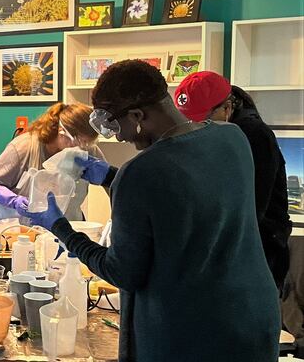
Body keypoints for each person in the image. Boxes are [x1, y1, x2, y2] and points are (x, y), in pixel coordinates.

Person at [28, 60, 280, 361]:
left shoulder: (140, 172)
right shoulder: (232, 137)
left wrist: (61, 228)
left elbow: (121, 271)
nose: (119, 137)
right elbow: (186, 197)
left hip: (193, 334)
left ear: (137, 115)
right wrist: (111, 176)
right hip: (253, 316)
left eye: (115, 126)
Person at [174, 71, 291, 291]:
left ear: (226, 108)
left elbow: (252, 208)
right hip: (221, 246)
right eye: (188, 120)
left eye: (202, 120)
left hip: (259, 248)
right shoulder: (211, 134)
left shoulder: (254, 136)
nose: (194, 128)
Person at [0, 102, 109, 228]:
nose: (83, 148)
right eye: (80, 142)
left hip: (66, 224)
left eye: (87, 143)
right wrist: (14, 201)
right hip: (17, 227)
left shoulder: (88, 149)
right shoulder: (24, 147)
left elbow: (110, 182)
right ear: (61, 132)